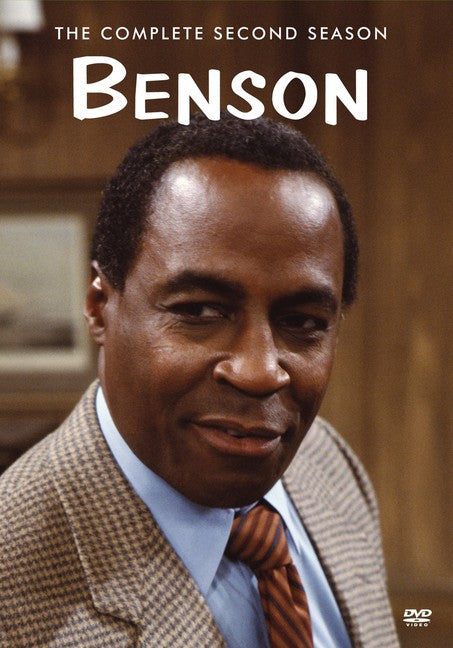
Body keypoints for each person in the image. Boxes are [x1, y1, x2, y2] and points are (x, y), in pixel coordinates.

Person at [0, 114, 399, 647]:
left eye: (303, 321)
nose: (260, 371)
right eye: (200, 311)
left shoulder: (328, 465)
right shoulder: (12, 591)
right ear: (99, 307)